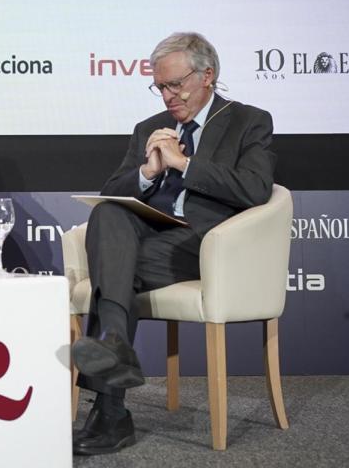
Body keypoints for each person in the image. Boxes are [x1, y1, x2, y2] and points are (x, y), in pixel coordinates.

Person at [70, 32, 275, 455]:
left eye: (175, 84)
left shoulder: (248, 121)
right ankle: (111, 410)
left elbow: (255, 189)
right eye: (160, 86)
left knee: (112, 272)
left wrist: (185, 164)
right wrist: (148, 172)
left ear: (208, 75)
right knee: (108, 214)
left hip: (205, 245)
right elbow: (113, 189)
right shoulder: (149, 128)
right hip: (145, 237)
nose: (167, 95)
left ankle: (110, 410)